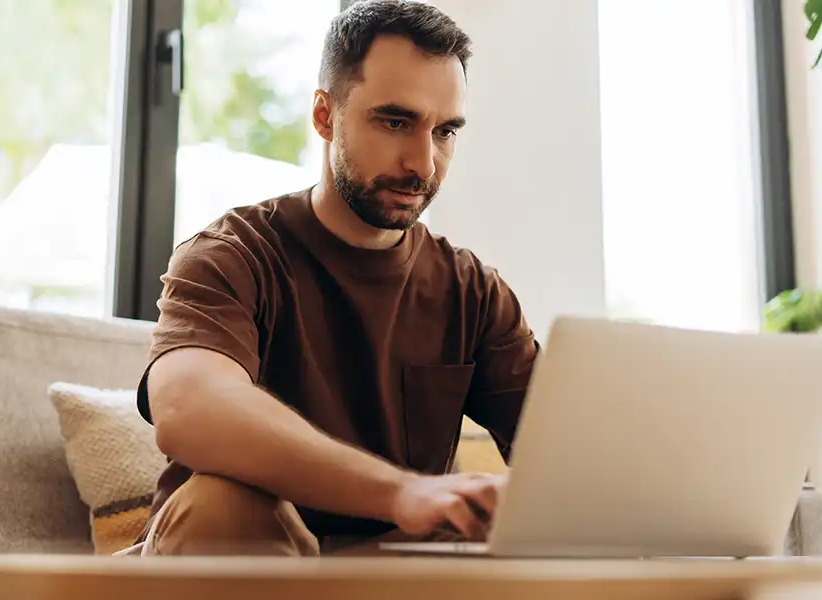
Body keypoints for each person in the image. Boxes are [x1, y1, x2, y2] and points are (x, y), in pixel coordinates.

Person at [130, 0, 539, 557]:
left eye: (445, 131)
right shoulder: (230, 256)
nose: (424, 162)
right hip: (240, 559)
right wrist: (403, 492)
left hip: (389, 569)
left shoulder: (472, 290)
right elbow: (187, 409)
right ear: (325, 116)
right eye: (396, 121)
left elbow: (567, 459)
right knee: (219, 505)